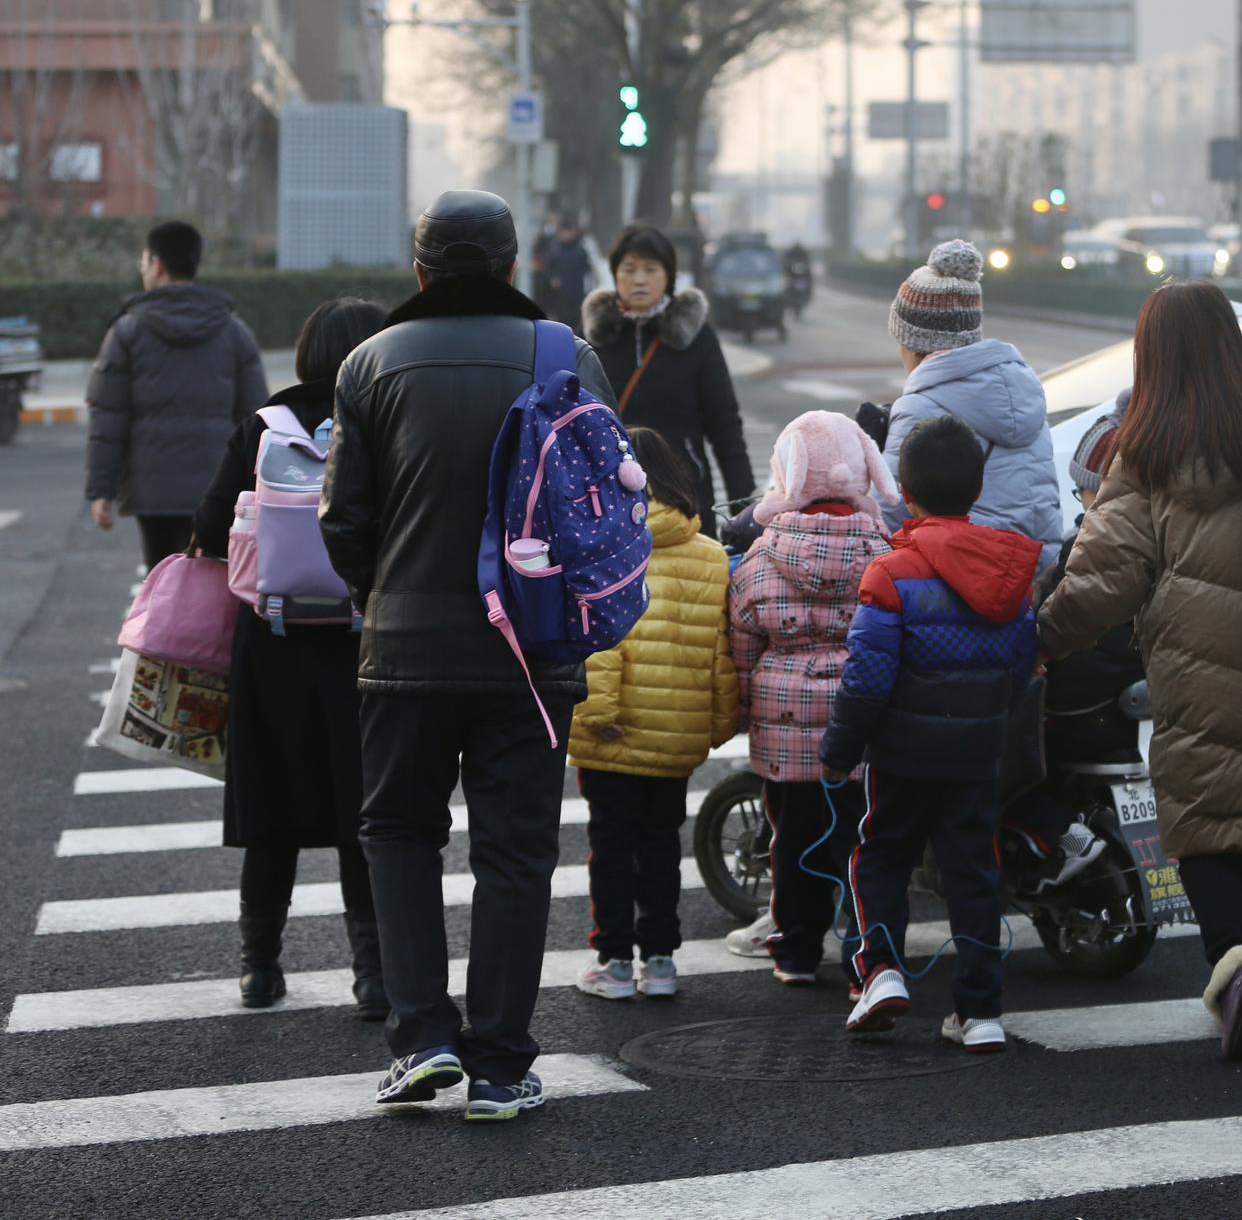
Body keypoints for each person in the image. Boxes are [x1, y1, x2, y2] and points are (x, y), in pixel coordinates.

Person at [320, 189, 614, 1122]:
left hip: (403, 645)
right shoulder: (568, 356)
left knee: (399, 834)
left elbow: (343, 521)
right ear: (514, 265)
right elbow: (608, 509)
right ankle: (497, 1063)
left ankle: (423, 1041)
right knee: (517, 850)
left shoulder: (369, 363)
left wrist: (386, 590)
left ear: (420, 271)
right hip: (531, 654)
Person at [1038, 282, 1242, 1062]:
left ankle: (1235, 963)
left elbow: (1104, 578)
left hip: (1192, 660)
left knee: (1206, 818)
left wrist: (1041, 639)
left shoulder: (1145, 445)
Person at [191, 298, 387, 1017]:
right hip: (361, 646)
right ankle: (373, 976)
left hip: (268, 647)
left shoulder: (262, 427)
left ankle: (259, 968)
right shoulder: (385, 425)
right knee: (363, 814)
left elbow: (211, 529)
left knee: (269, 811)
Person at [824, 415, 1041, 1054]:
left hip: (902, 753)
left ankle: (881, 969)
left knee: (881, 852)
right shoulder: (1011, 573)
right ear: (976, 490)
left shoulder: (891, 573)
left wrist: (840, 752)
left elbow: (866, 681)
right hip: (977, 752)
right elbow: (1022, 666)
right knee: (973, 870)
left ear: (907, 493)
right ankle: (980, 1012)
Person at [725, 411, 897, 981]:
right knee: (858, 841)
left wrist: (754, 708)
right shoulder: (885, 553)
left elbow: (745, 643)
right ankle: (863, 959)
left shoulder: (762, 555)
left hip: (785, 726)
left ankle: (796, 951)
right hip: (859, 727)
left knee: (791, 839)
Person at [569, 427, 739, 1000]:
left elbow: (603, 640)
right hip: (678, 730)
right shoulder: (711, 556)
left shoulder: (605, 543)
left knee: (611, 844)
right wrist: (717, 723)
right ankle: (661, 962)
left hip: (615, 732)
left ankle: (615, 962)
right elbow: (722, 649)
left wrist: (597, 712)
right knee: (663, 842)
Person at [1005, 401, 1134, 895]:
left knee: (1004, 740)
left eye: (1084, 489)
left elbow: (1057, 628)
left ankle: (1052, 830)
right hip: (1138, 705)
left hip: (1083, 712)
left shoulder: (1090, 549)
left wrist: (1032, 648)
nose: (1079, 500)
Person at [872, 240, 1062, 574]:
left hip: (969, 574)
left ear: (915, 345)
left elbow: (888, 513)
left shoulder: (920, 406)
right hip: (1034, 570)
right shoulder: (1022, 391)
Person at [87, 220, 267, 567]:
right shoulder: (233, 330)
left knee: (162, 585)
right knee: (215, 588)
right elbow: (255, 418)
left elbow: (108, 416)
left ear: (157, 263)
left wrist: (101, 490)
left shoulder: (127, 331)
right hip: (218, 488)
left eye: (142, 261)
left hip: (151, 489)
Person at [584, 224, 755, 531]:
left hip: (684, 495)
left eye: (651, 269)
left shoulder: (696, 337)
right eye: (629, 268)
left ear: (669, 275)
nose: (639, 279)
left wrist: (743, 510)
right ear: (615, 273)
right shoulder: (591, 341)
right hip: (610, 495)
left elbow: (725, 425)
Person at [537, 214, 596, 325]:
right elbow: (547, 269)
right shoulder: (554, 249)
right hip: (560, 295)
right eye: (564, 232)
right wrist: (552, 278)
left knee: (576, 322)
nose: (566, 235)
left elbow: (587, 269)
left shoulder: (580, 250)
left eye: (568, 231)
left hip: (577, 292)